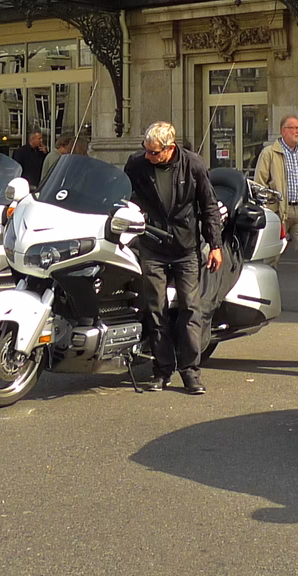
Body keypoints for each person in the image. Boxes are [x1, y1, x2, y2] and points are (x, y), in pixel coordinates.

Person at [125, 121, 221, 395]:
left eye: (154, 152)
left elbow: (209, 206)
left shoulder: (194, 165)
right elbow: (124, 197)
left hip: (185, 247)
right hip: (152, 244)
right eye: (146, 150)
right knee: (155, 309)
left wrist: (215, 244)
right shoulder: (136, 164)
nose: (148, 156)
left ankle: (190, 372)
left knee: (191, 309)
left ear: (170, 148)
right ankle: (161, 370)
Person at [253, 115, 298, 312]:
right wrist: (268, 209)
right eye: (293, 128)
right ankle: (265, 299)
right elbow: (259, 184)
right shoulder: (269, 153)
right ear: (283, 131)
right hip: (278, 211)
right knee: (272, 257)